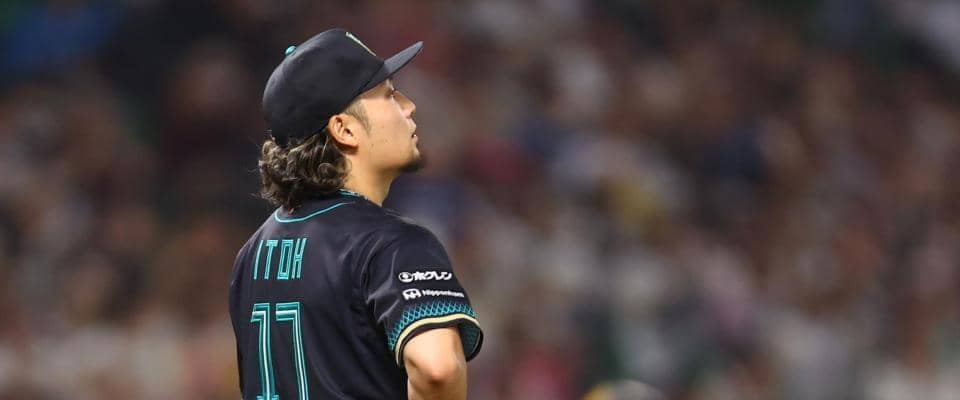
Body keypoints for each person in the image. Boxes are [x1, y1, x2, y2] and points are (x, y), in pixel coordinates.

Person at [229, 28, 483, 400]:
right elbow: (438, 370)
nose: (409, 106)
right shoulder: (391, 244)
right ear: (344, 129)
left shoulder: (251, 256)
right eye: (390, 95)